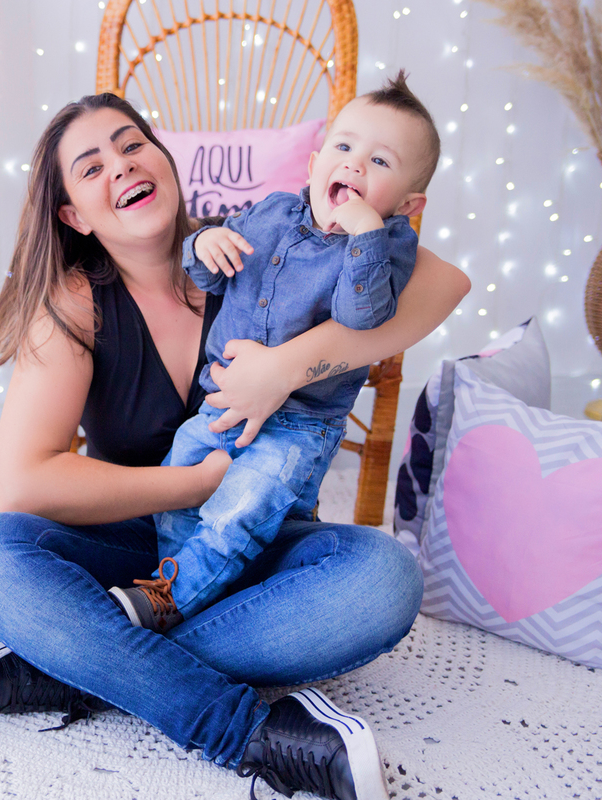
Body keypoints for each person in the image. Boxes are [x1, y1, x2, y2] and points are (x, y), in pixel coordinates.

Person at [0, 92, 470, 800]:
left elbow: (446, 283)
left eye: (132, 144)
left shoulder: (251, 247)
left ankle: (78, 666)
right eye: (92, 167)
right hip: (134, 542)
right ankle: (244, 731)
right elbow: (24, 484)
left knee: (384, 579)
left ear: (164, 159)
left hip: (261, 539)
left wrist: (283, 371)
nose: (122, 166)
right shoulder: (76, 301)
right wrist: (195, 485)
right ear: (74, 216)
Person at [109, 72, 440, 634]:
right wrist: (203, 243)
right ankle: (173, 589)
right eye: (343, 147)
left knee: (241, 510)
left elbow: (363, 317)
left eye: (380, 161)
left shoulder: (390, 246)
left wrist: (364, 234)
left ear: (408, 204)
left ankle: (171, 603)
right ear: (313, 165)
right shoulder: (271, 213)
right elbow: (208, 275)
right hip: (219, 407)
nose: (355, 166)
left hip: (299, 426)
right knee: (177, 495)